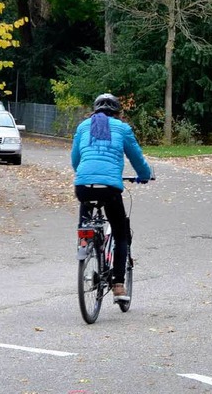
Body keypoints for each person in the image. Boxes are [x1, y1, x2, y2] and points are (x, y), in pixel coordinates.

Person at [71, 93, 152, 302]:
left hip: (84, 186)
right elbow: (137, 157)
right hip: (109, 189)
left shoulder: (82, 127)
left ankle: (84, 242)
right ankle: (118, 285)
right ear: (117, 113)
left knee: (85, 223)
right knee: (121, 234)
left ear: (94, 110)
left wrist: (83, 174)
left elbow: (75, 159)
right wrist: (144, 175)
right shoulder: (122, 128)